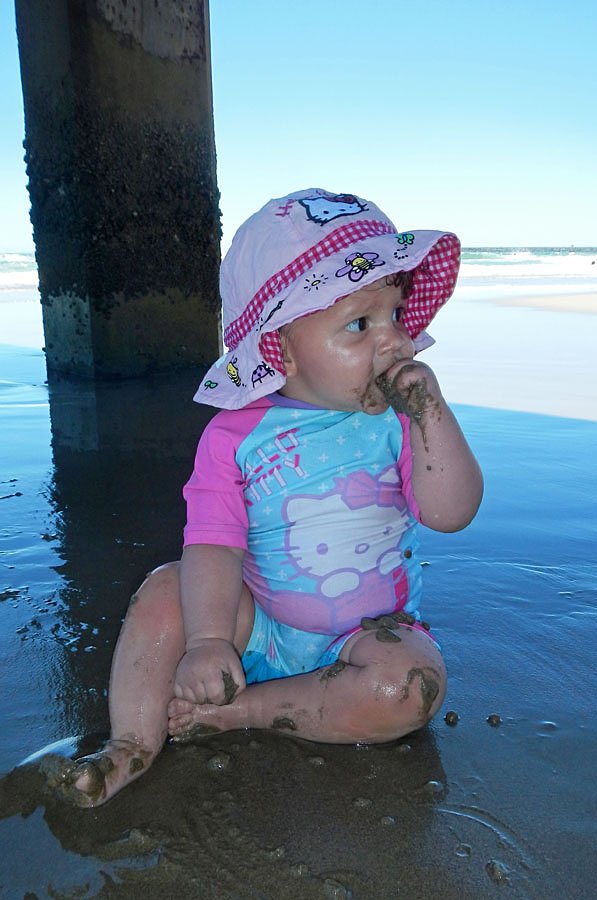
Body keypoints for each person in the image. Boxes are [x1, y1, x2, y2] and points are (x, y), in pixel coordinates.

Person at [60, 188, 483, 806]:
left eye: (395, 313)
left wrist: (430, 413)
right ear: (279, 346)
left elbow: (452, 512)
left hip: (368, 638)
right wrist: (207, 640)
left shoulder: (395, 421)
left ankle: (243, 712)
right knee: (161, 591)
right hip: (257, 629)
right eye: (360, 324)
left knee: (410, 687)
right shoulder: (234, 438)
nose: (393, 340)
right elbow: (213, 544)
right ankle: (130, 745)